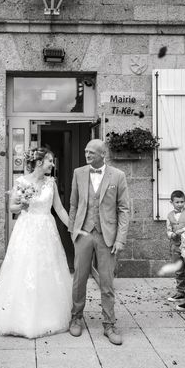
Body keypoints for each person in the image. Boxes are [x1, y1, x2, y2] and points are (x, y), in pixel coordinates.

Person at [0, 148, 72, 338]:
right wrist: (22, 204)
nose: (52, 165)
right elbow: (11, 207)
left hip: (46, 228)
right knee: (22, 267)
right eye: (49, 161)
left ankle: (47, 314)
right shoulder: (21, 182)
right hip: (26, 229)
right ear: (38, 163)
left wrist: (72, 227)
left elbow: (59, 208)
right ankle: (17, 316)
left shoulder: (51, 183)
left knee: (46, 268)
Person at [68, 139, 129, 345]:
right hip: (83, 233)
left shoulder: (118, 176)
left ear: (103, 154)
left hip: (107, 236)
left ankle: (109, 324)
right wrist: (73, 230)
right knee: (79, 279)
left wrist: (120, 239)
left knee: (107, 282)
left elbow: (124, 209)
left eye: (92, 152)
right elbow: (74, 204)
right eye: (86, 151)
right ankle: (76, 318)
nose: (87, 155)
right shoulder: (78, 173)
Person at [165, 190, 185, 303]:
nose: (180, 204)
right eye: (177, 202)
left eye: (182, 202)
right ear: (172, 202)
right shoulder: (169, 215)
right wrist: (171, 234)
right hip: (175, 245)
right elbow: (168, 229)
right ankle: (180, 292)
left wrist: (182, 230)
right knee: (178, 269)